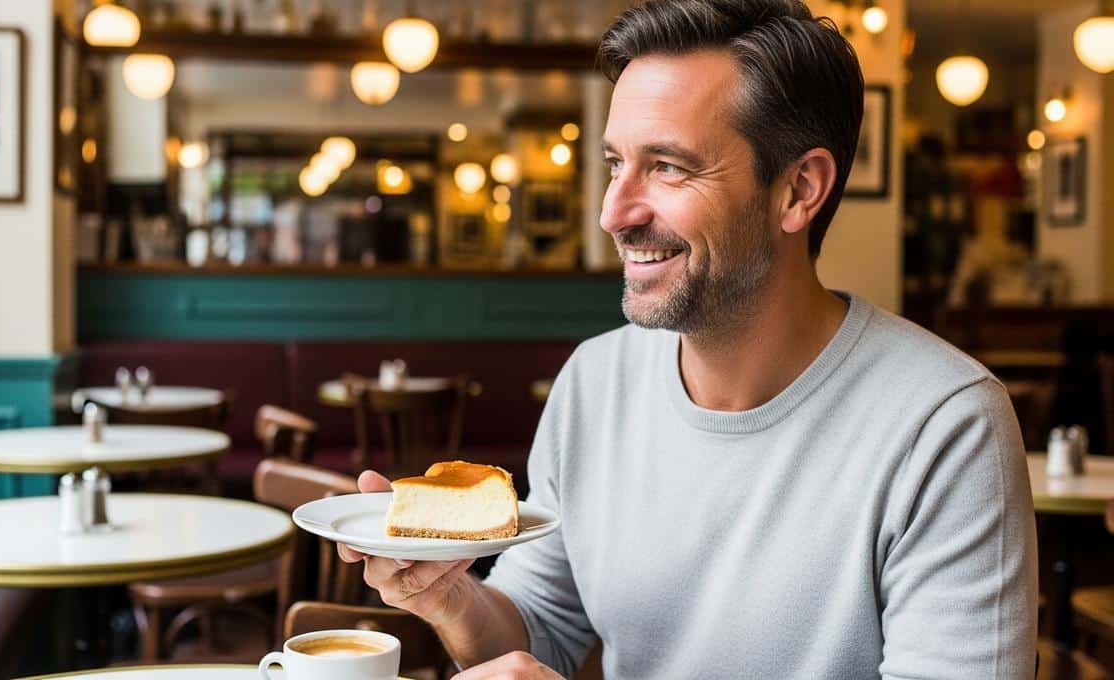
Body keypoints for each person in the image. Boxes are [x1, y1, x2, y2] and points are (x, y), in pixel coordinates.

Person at [338, 1, 1038, 678]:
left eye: (668, 166)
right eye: (616, 163)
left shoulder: (946, 424)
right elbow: (539, 627)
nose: (614, 212)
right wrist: (449, 597)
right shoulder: (594, 382)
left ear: (799, 190)